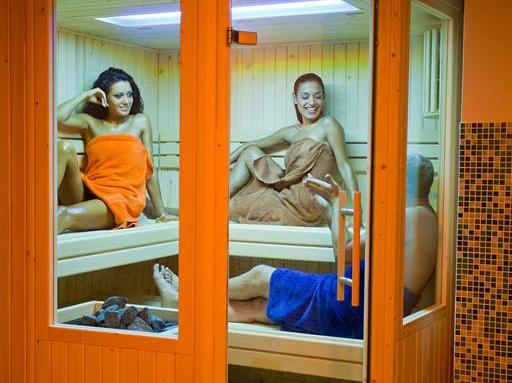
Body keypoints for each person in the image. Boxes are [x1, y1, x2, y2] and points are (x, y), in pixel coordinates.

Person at [154, 153, 438, 338]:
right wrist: (330, 210)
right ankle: (181, 304)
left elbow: (345, 254)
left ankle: (187, 291)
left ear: (404, 181)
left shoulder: (408, 218)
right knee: (258, 309)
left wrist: (333, 207)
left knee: (261, 276)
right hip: (361, 310)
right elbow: (357, 247)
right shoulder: (425, 216)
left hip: (349, 309)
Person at [229, 72, 359, 227]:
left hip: (306, 203)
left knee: (226, 207)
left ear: (323, 99)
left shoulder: (329, 125)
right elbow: (248, 146)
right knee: (250, 152)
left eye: (318, 96)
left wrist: (358, 212)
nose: (312, 102)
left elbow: (344, 166)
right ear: (295, 99)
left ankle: (214, 200)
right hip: (286, 193)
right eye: (305, 97)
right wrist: (216, 167)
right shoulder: (291, 133)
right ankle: (216, 194)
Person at [56, 67, 174, 234]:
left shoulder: (140, 122)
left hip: (119, 199)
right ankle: (39, 207)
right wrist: (85, 96)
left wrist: (161, 213)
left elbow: (150, 172)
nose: (126, 101)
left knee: (61, 215)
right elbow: (52, 119)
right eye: (118, 96)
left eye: (129, 94)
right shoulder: (90, 123)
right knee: (63, 148)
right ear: (104, 97)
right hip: (89, 191)